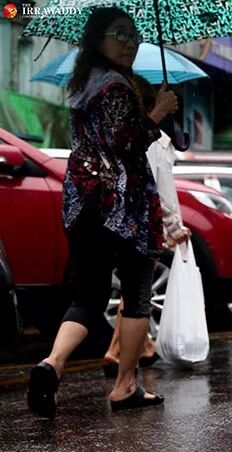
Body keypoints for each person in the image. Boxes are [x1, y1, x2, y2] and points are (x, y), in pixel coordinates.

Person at [26, 6, 180, 418]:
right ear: (98, 39)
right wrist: (158, 113)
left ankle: (52, 363)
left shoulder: (84, 83)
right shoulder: (115, 86)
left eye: (134, 35)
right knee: (137, 294)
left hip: (83, 201)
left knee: (88, 296)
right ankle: (125, 385)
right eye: (120, 34)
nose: (130, 43)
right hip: (124, 206)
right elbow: (125, 142)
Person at [103, 75, 192, 377]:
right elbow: (162, 190)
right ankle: (120, 354)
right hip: (146, 225)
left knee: (134, 290)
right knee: (138, 292)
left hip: (121, 222)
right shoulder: (157, 141)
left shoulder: (124, 136)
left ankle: (140, 346)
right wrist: (175, 228)